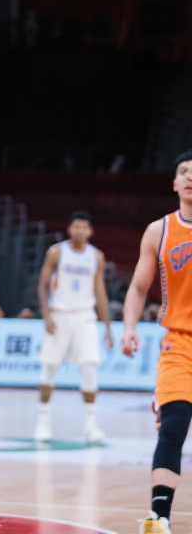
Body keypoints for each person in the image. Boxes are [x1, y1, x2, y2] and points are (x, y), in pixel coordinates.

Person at [122, 150, 192, 534]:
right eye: (183, 172)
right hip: (179, 343)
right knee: (174, 427)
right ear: (174, 183)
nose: (190, 178)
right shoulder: (159, 230)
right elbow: (138, 287)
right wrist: (129, 327)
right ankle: (159, 517)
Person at [34, 210, 113, 444]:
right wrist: (46, 314)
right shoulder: (57, 252)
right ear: (70, 229)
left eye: (84, 227)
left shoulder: (96, 256)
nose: (80, 231)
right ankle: (42, 424)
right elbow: (43, 285)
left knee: (89, 367)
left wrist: (107, 325)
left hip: (85, 316)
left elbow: (100, 291)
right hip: (59, 314)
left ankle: (90, 427)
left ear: (90, 231)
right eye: (76, 227)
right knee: (49, 367)